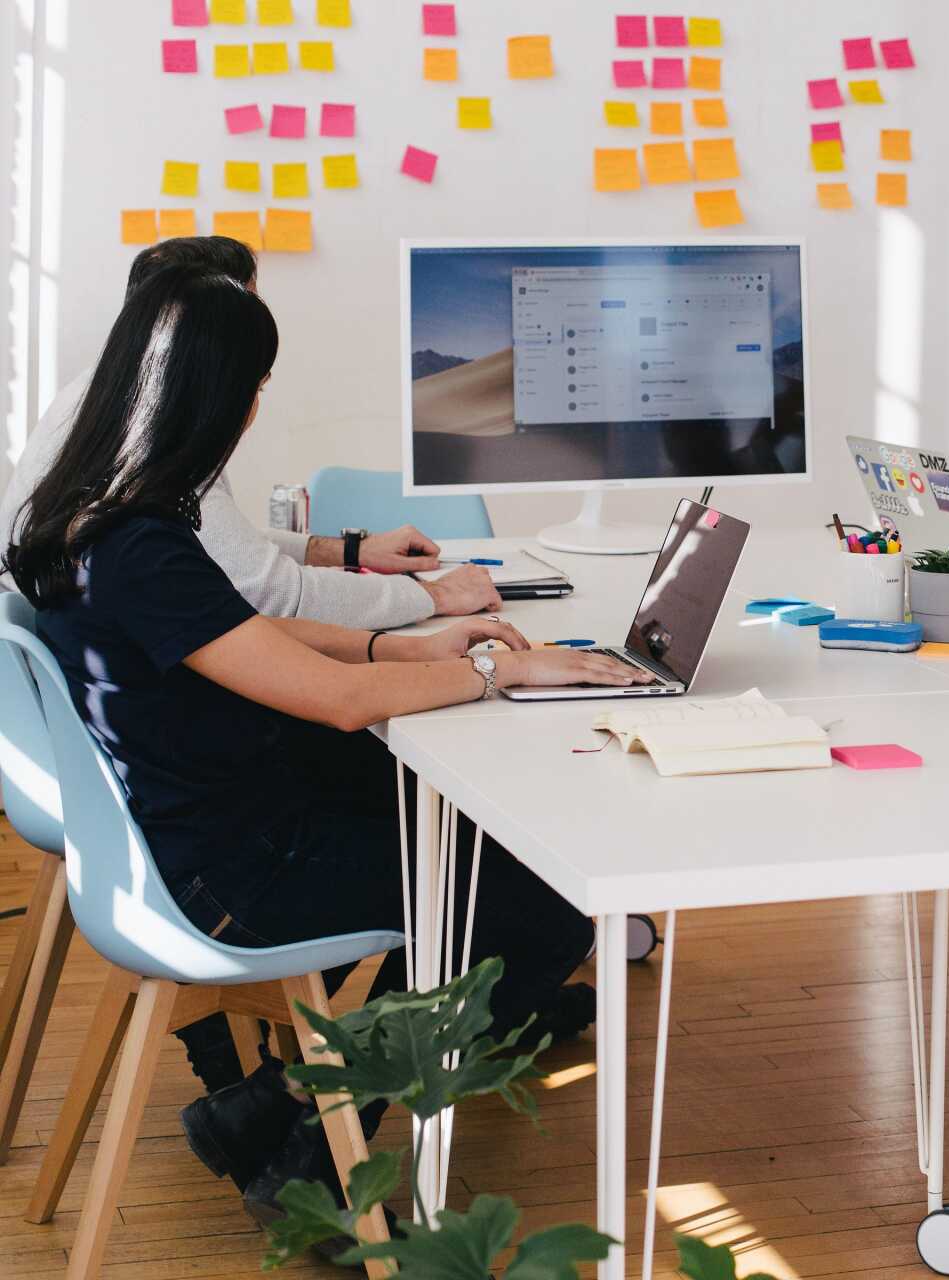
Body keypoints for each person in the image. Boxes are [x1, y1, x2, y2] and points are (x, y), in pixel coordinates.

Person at [3, 266, 645, 1240]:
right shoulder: (145, 542)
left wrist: (405, 644)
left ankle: (264, 1109)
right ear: (227, 395)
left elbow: (254, 636)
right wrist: (492, 669)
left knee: (463, 833)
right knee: (535, 898)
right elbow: (341, 702)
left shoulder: (91, 514)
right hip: (227, 869)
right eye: (258, 387)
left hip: (197, 814)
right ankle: (316, 1161)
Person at [0, 236, 501, 628]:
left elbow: (210, 546)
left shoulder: (102, 402)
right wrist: (432, 597)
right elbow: (272, 595)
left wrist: (351, 552)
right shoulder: (150, 434)